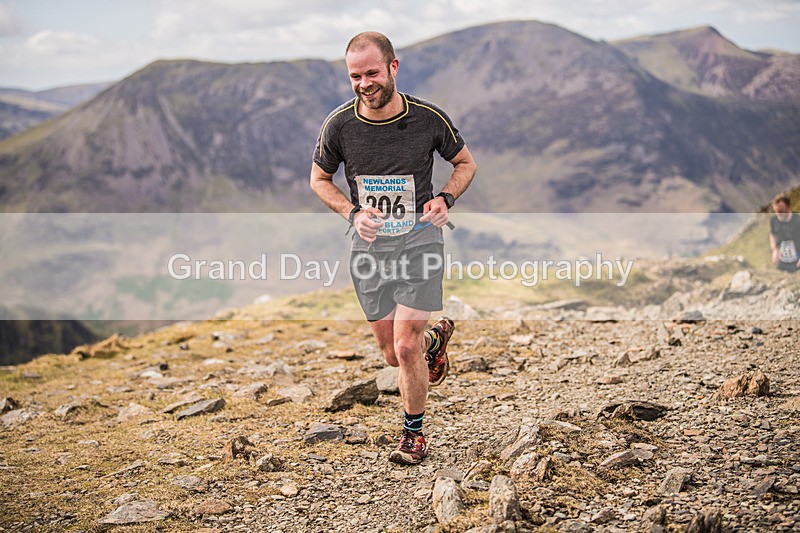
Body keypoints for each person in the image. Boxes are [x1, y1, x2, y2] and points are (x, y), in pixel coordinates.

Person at [310, 31, 477, 465]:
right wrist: (352, 214)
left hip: (420, 241)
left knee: (406, 347)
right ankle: (436, 342)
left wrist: (446, 199)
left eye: (372, 72)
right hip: (369, 251)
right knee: (390, 354)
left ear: (393, 67)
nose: (365, 83)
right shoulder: (339, 126)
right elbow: (318, 180)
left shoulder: (427, 118)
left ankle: (413, 433)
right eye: (355, 76)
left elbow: (465, 163)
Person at [769, 194, 800, 273]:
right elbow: (772, 235)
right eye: (776, 210)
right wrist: (775, 249)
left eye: (781, 210)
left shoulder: (797, 220)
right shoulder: (774, 221)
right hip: (783, 259)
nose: (778, 213)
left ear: (788, 207)